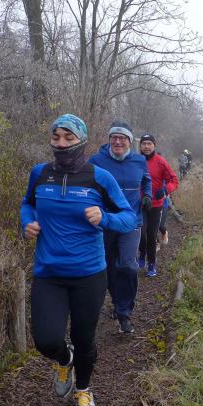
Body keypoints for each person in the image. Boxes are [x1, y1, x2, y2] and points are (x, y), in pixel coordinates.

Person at [20, 114, 137, 406]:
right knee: (46, 340)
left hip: (89, 274)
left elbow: (129, 218)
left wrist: (105, 218)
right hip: (49, 273)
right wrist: (27, 222)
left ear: (81, 141)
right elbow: (27, 203)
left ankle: (83, 389)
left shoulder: (100, 178)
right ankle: (64, 358)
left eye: (68, 138)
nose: (61, 144)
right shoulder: (40, 174)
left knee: (85, 338)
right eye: (56, 137)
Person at [89, 121, 152, 334]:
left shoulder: (139, 160)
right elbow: (84, 184)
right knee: (108, 268)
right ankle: (117, 302)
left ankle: (125, 312)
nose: (117, 141)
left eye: (122, 138)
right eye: (114, 137)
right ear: (109, 140)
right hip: (105, 222)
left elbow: (147, 180)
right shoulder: (96, 161)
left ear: (129, 141)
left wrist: (147, 195)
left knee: (127, 265)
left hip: (131, 221)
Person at [137, 134, 178, 277]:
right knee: (141, 234)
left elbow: (174, 180)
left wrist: (166, 190)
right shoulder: (135, 160)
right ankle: (142, 254)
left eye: (149, 143)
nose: (146, 146)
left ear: (154, 145)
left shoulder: (161, 162)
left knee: (152, 234)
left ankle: (151, 264)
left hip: (156, 205)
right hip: (140, 203)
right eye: (144, 144)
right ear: (140, 146)